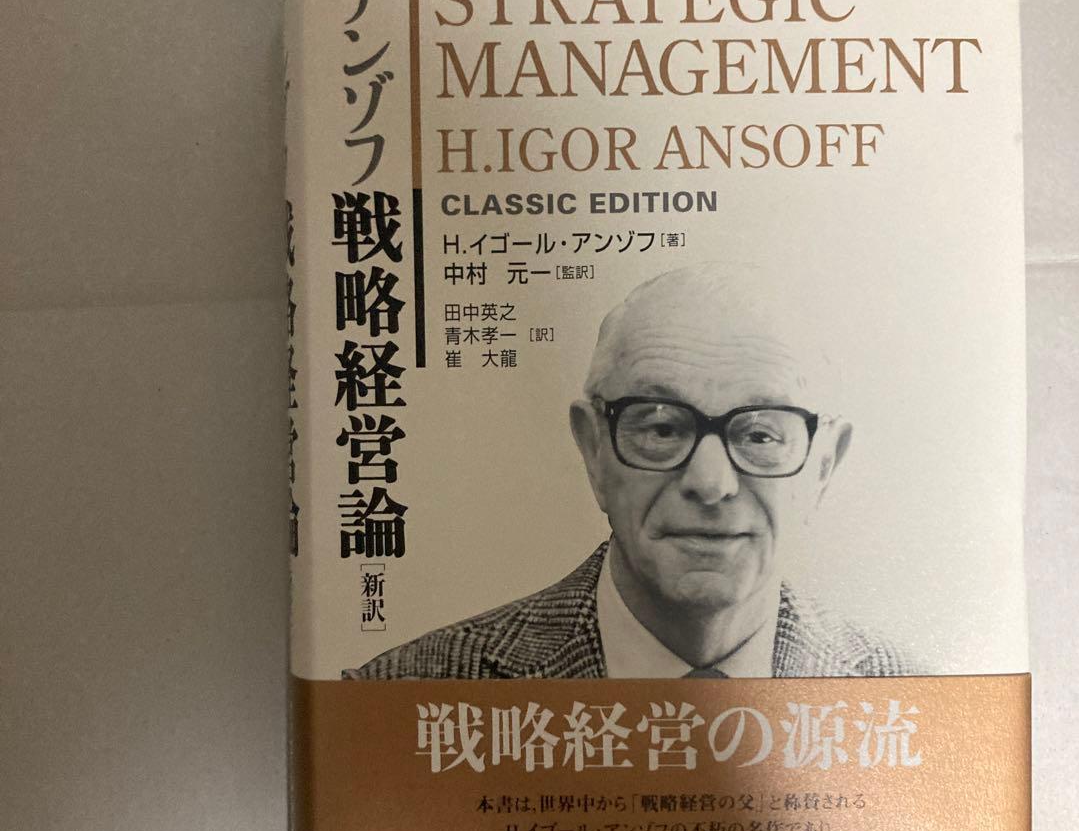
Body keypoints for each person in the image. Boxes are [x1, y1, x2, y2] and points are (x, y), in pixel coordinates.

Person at [344, 262, 916, 679]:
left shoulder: (921, 703)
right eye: (662, 429)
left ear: (824, 465)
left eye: (761, 435)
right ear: (593, 448)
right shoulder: (403, 693)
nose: (711, 484)